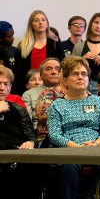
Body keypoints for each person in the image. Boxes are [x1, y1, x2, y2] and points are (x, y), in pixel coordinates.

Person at [47, 56, 100, 199]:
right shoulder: (56, 105)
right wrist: (75, 147)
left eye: (84, 74)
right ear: (65, 80)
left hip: (96, 149)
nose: (80, 77)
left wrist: (95, 144)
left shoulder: (97, 102)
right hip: (69, 150)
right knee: (68, 166)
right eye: (75, 74)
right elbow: (54, 134)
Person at [0, 65, 43, 199]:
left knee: (36, 167)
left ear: (10, 88)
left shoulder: (18, 109)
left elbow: (31, 136)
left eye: (6, 84)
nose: (2, 87)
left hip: (16, 156)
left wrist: (30, 143)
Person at [14, 10, 65, 95]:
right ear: (31, 25)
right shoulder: (23, 46)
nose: (40, 23)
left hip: (52, 89)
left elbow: (62, 68)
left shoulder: (55, 45)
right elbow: (19, 73)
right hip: (28, 89)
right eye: (36, 20)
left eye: (43, 20)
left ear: (47, 24)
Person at [21, 57, 60, 130]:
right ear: (41, 75)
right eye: (49, 69)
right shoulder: (29, 94)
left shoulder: (71, 92)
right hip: (40, 134)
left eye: (57, 68)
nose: (54, 72)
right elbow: (26, 123)